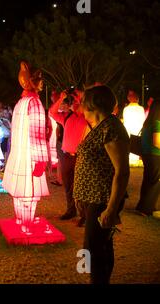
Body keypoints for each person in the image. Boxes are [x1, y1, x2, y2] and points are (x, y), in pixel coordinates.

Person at [73, 85, 130, 284]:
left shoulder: (111, 128)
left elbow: (122, 171)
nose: (79, 104)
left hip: (103, 199)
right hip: (93, 199)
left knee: (92, 248)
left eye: (83, 100)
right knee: (100, 246)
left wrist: (111, 209)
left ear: (92, 104)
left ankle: (97, 281)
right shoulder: (99, 127)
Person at [2, 61, 49, 234]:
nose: (42, 82)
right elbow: (37, 134)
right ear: (33, 82)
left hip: (18, 154)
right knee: (30, 192)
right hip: (31, 156)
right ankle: (27, 225)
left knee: (19, 191)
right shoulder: (35, 104)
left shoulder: (20, 103)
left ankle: (21, 220)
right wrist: (41, 159)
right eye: (39, 79)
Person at [49, 89, 89, 224]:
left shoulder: (87, 117)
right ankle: (71, 210)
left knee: (81, 187)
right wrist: (61, 98)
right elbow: (52, 112)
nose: (75, 102)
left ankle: (84, 215)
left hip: (81, 157)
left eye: (78, 99)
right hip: (66, 156)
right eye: (73, 99)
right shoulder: (67, 116)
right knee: (68, 186)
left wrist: (82, 98)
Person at [136, 98, 160, 215]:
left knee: (147, 180)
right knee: (155, 182)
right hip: (155, 155)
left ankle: (142, 206)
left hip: (146, 155)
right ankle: (146, 209)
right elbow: (157, 142)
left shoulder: (147, 124)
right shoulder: (157, 123)